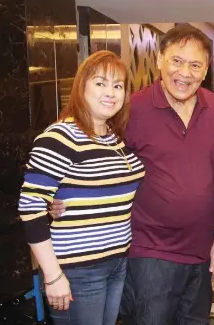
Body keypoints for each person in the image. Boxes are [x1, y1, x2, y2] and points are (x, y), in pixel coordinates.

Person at [49, 24, 214, 325]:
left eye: (195, 64)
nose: (184, 73)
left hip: (201, 251)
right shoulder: (131, 108)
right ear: (160, 59)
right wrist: (60, 195)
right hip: (149, 252)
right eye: (176, 60)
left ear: (206, 69)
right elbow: (90, 146)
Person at [18, 50, 145, 325]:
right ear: (81, 87)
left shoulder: (111, 137)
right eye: (100, 83)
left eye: (118, 85)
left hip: (116, 262)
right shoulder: (60, 137)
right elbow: (30, 207)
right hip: (77, 269)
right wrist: (52, 275)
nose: (110, 92)